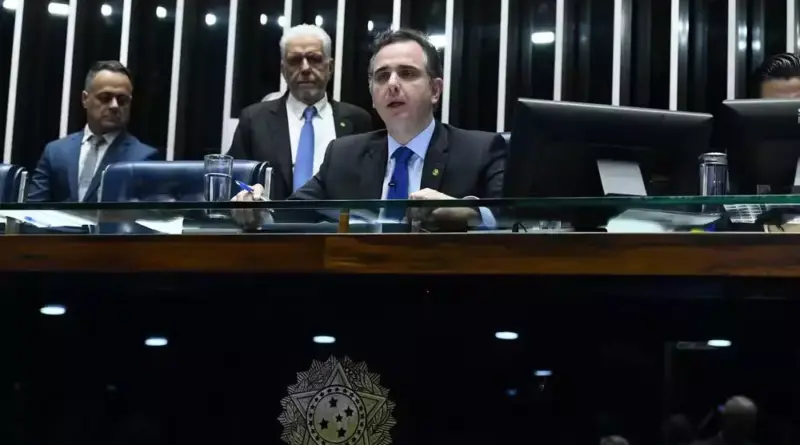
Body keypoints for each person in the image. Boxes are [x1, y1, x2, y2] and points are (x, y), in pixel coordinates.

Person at [234, 28, 505, 229]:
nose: (392, 84)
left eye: (407, 73)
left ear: (435, 90)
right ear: (373, 95)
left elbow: (515, 218)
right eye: (382, 76)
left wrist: (469, 213)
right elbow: (290, 214)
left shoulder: (480, 150)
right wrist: (258, 211)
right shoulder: (344, 155)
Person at [228, 24, 373, 200]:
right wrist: (247, 194)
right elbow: (234, 180)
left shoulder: (357, 120)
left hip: (337, 218)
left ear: (330, 67)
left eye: (314, 59)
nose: (305, 68)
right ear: (283, 70)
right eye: (295, 60)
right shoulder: (254, 119)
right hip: (271, 217)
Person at [27, 61, 158, 202]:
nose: (114, 106)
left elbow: (147, 212)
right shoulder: (55, 152)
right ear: (85, 99)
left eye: (122, 100)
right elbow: (34, 208)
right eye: (105, 98)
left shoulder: (143, 157)